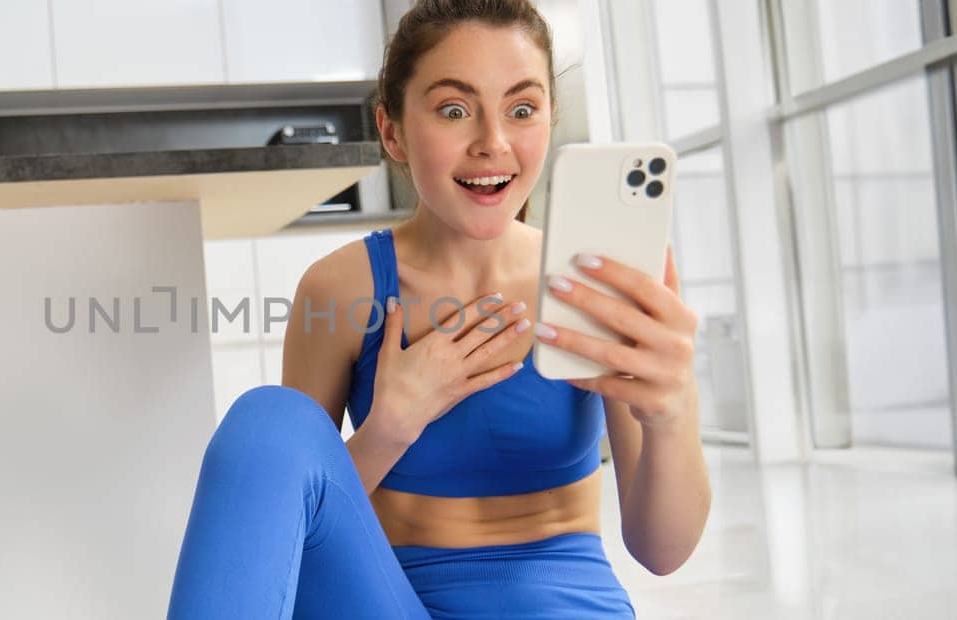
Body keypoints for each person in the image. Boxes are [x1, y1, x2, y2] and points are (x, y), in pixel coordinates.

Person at [167, 1, 710, 617]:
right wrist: (390, 427)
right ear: (393, 131)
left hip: (557, 605)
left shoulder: (596, 281)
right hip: (385, 601)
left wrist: (672, 410)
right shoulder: (343, 290)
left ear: (550, 121)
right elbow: (292, 527)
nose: (493, 143)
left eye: (522, 109)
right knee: (268, 421)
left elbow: (662, 552)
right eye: (455, 110)